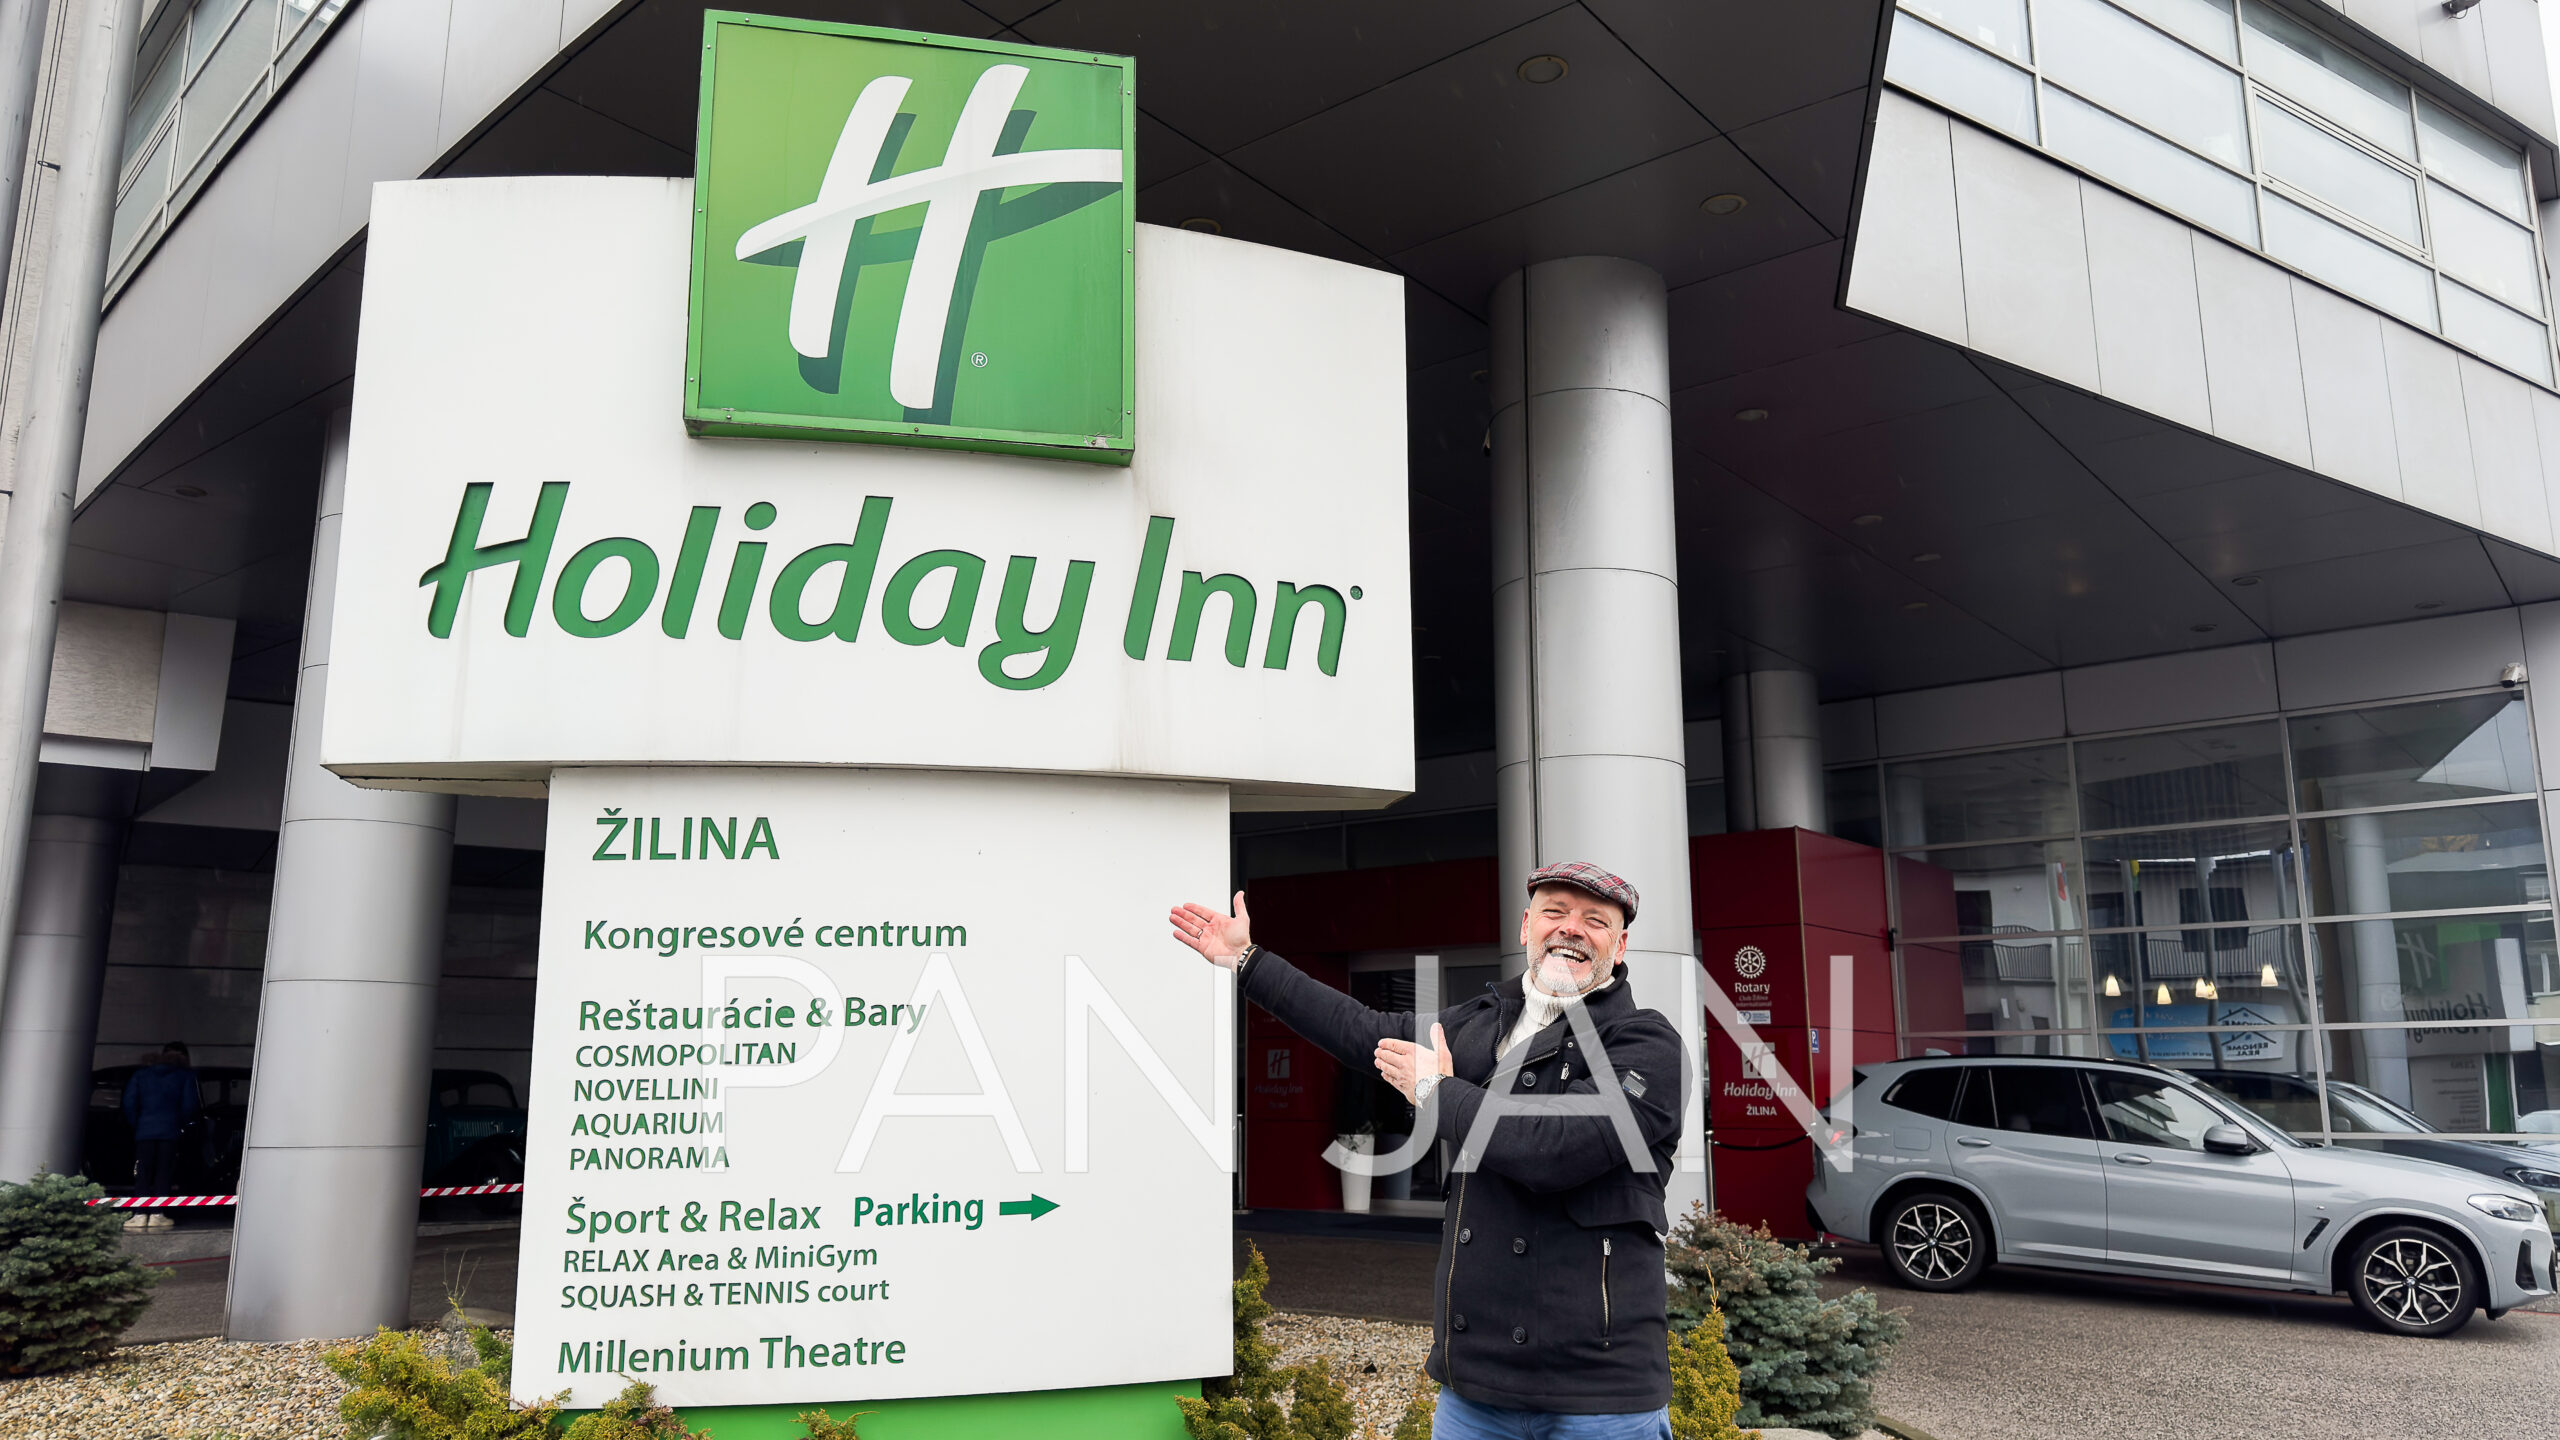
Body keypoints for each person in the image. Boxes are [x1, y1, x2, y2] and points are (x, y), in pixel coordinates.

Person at [1171, 861, 1684, 1440]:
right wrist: (1248, 961)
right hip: (1474, 1394)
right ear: (1526, 927)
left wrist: (1436, 1091)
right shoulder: (1478, 1025)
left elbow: (1553, 1147)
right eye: (1555, 912)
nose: (1571, 928)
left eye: (1595, 920)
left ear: (1620, 947)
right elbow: (1361, 1029)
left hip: (1600, 1395)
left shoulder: (1646, 1043)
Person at [120, 1042, 199, 1232]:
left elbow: (129, 1103)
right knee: (164, 1172)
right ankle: (157, 1214)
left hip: (144, 1132)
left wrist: (139, 1124)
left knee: (142, 1173)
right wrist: (180, 1124)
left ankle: (139, 1214)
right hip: (170, 1131)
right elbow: (189, 1106)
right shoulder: (185, 1075)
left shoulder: (141, 1074)